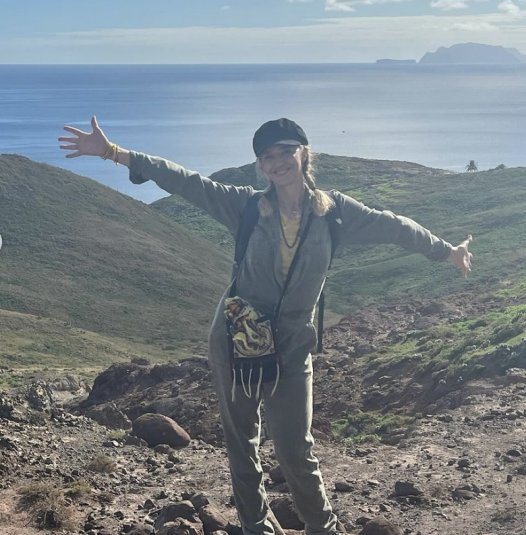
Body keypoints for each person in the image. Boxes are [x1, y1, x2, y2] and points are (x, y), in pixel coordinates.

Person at [59, 116, 473, 535]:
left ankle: (322, 528)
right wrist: (113, 152)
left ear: (304, 153)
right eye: (267, 156)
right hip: (235, 340)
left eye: (285, 151)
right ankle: (256, 527)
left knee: (296, 448)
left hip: (294, 344)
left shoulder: (335, 212)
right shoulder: (245, 206)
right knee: (242, 443)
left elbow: (396, 226)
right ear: (261, 165)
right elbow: (185, 180)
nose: (277, 162)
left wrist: (448, 252)